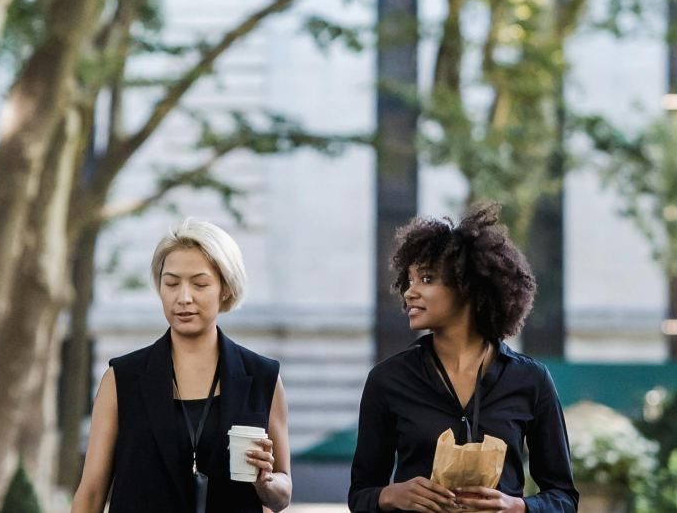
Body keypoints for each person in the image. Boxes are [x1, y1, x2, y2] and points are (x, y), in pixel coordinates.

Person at [349, 202, 577, 513]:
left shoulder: (531, 380)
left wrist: (518, 507)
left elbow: (563, 497)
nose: (409, 292)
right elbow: (360, 495)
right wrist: (391, 495)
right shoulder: (388, 380)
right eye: (410, 280)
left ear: (468, 286)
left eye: (427, 279)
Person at [71, 219, 293, 513]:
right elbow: (91, 492)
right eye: (171, 283)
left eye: (200, 284)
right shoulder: (121, 379)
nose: (183, 298)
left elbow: (283, 493)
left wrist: (266, 482)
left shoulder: (263, 378)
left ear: (225, 288)